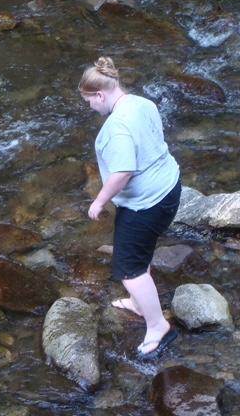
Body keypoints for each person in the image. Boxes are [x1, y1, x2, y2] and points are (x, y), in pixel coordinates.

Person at [78, 56, 182, 360]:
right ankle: (140, 302)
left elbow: (122, 173)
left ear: (99, 94)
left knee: (128, 268)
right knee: (140, 249)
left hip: (146, 203)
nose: (89, 107)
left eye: (88, 101)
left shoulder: (116, 129)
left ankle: (158, 326)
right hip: (169, 186)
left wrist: (99, 201)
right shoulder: (141, 103)